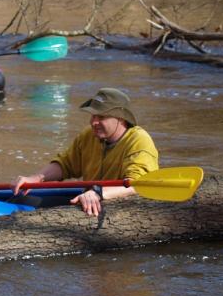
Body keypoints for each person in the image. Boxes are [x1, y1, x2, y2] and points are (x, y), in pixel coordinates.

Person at [12, 88, 158, 217]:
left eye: (101, 117)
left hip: (118, 207)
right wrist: (36, 178)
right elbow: (66, 165)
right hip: (89, 199)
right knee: (21, 200)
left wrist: (98, 192)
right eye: (93, 116)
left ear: (121, 119)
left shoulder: (139, 140)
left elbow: (138, 185)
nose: (93, 122)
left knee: (27, 204)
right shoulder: (89, 135)